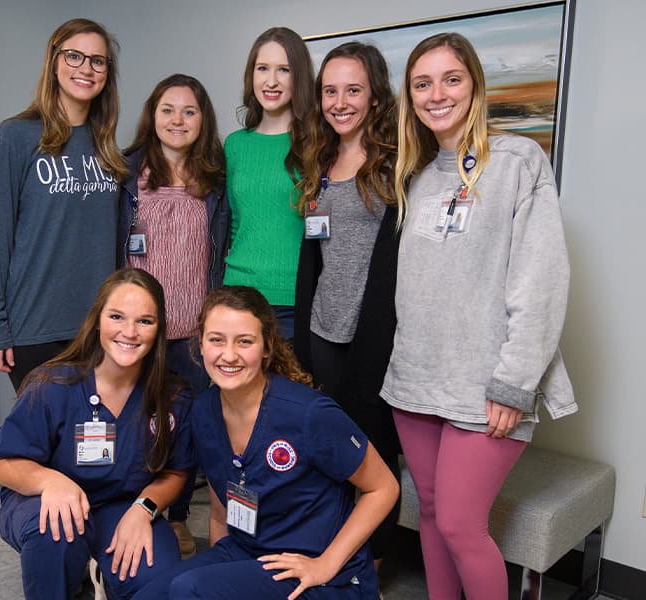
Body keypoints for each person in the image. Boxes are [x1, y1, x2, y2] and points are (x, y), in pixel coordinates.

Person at [381, 32, 576, 600]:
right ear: (409, 97)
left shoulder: (518, 161)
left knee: (464, 524)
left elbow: (541, 282)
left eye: (451, 79)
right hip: (416, 380)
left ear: (474, 85)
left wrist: (514, 383)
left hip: (486, 385)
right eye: (422, 83)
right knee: (434, 516)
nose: (436, 94)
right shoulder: (415, 174)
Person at [133, 286, 400, 599]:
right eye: (216, 339)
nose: (228, 355)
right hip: (248, 553)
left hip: (317, 573)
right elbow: (222, 510)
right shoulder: (203, 411)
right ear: (201, 345)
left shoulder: (308, 413)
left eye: (244, 341)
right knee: (151, 595)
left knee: (190, 590)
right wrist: (224, 578)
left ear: (267, 347)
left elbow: (384, 488)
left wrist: (326, 564)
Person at [0, 268, 193, 600]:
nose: (129, 332)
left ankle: (105, 571)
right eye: (117, 317)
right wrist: (50, 481)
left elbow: (175, 471)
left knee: (158, 579)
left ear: (159, 330)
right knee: (55, 534)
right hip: (44, 500)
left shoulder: (173, 396)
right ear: (97, 320)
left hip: (122, 505)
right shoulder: (53, 385)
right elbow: (4, 462)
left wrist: (144, 508)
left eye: (145, 321)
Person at [293, 41, 402, 577]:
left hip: (377, 336)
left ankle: (372, 568)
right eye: (330, 90)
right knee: (331, 447)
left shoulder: (399, 163)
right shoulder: (320, 161)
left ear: (375, 96)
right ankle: (334, 552)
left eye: (353, 90)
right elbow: (314, 254)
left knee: (375, 452)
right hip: (324, 330)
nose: (340, 102)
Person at [0, 18, 126, 390]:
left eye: (98, 61)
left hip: (100, 327)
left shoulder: (107, 148)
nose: (86, 68)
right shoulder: (15, 137)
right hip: (36, 326)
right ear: (54, 61)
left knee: (97, 445)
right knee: (43, 444)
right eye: (74, 56)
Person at [118, 73, 229, 558]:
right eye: (168, 109)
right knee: (134, 426)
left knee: (183, 429)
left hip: (192, 335)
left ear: (203, 120)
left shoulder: (216, 180)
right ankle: (128, 512)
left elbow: (220, 249)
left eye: (189, 111)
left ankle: (178, 517)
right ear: (152, 115)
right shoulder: (125, 171)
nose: (178, 120)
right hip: (135, 333)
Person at [222, 27, 315, 339]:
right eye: (262, 68)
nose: (271, 81)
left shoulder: (317, 143)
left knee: (288, 389)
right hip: (237, 295)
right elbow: (236, 224)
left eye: (284, 70)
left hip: (294, 298)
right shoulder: (235, 145)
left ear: (299, 77)